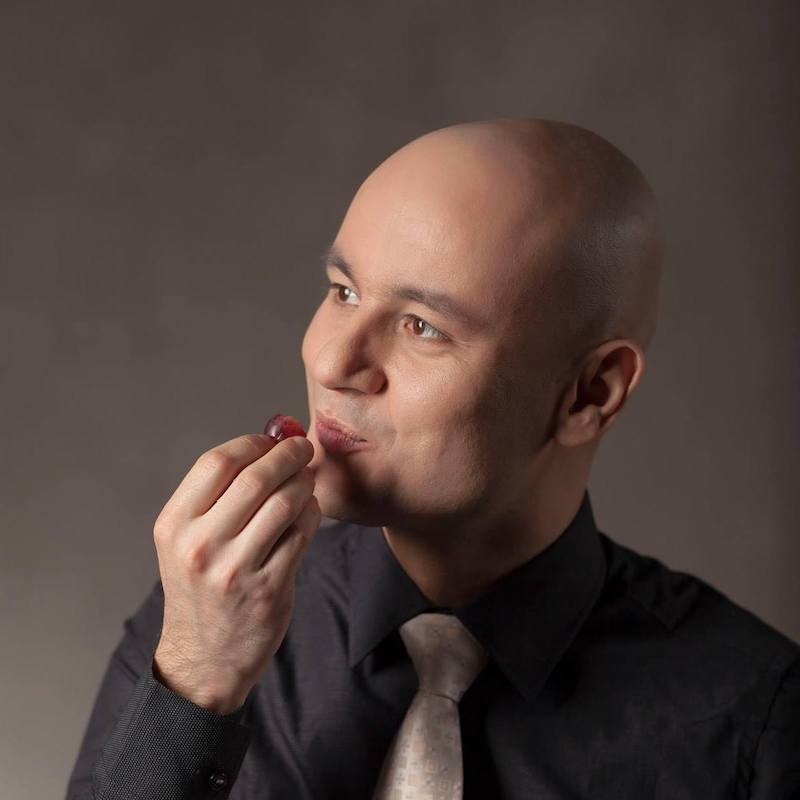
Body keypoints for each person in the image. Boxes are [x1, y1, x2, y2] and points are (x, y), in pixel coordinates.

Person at [65, 118, 799, 799]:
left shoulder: (752, 720)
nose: (332, 362)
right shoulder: (201, 618)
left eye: (422, 326)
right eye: (343, 291)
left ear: (590, 393)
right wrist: (195, 687)